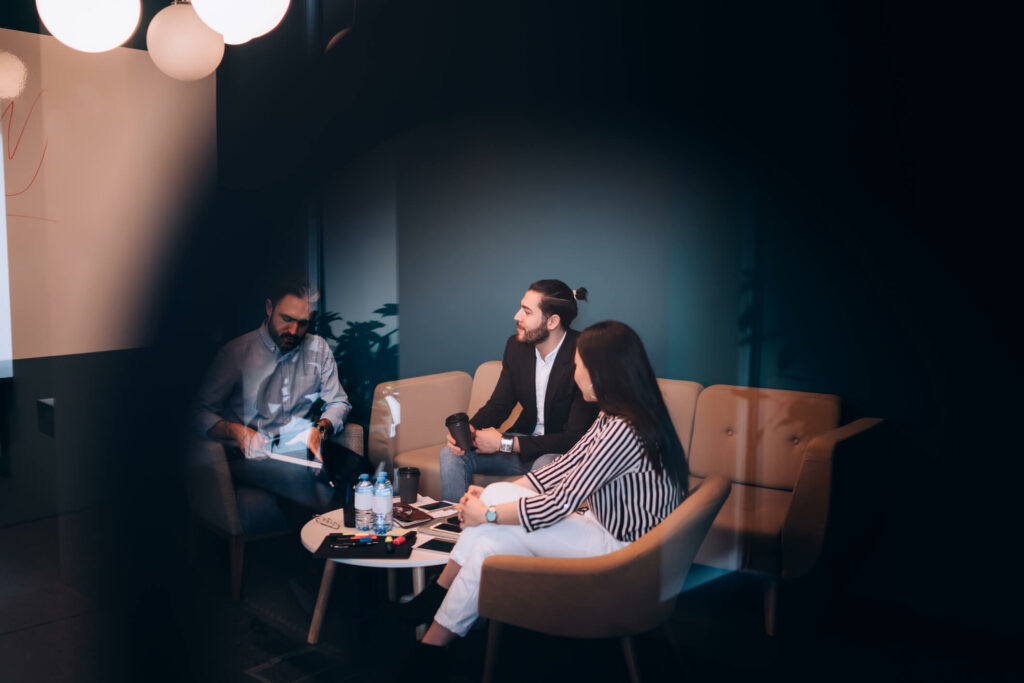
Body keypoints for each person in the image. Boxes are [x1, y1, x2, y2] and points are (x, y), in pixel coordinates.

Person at [401, 321, 688, 677]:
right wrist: (493, 498)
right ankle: (433, 643)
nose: (575, 371)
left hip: (621, 554)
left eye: (579, 364)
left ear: (600, 371)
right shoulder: (620, 415)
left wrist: (487, 514)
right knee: (490, 537)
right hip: (610, 535)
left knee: (492, 528)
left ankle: (435, 606)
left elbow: (560, 503)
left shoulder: (622, 430)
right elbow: (564, 466)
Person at [193, 274, 366, 521]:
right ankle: (328, 553)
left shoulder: (318, 348)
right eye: (286, 319)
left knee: (361, 471)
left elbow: (338, 401)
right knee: (298, 478)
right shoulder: (235, 354)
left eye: (303, 323)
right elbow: (197, 412)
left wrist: (320, 429)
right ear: (269, 308)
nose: (294, 331)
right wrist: (237, 432)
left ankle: (366, 547)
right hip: (250, 455)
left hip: (300, 445)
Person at [439, 279, 599, 503]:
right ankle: (459, 527)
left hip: (559, 452)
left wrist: (505, 443)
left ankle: (529, 534)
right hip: (522, 443)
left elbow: (574, 438)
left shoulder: (584, 353)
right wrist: (470, 430)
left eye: (526, 312)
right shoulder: (516, 346)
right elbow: (499, 404)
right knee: (451, 455)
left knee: (545, 464)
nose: (517, 316)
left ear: (552, 321)